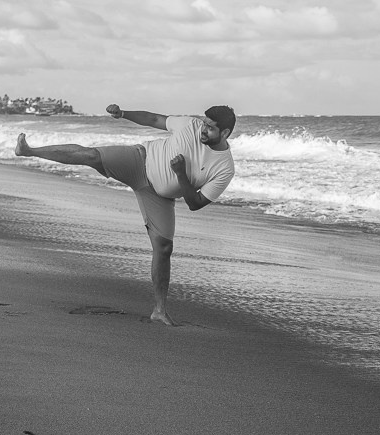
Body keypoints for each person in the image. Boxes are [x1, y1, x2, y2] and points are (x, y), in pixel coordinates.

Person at [14, 104, 236, 325]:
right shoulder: (190, 125)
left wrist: (180, 174)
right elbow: (154, 119)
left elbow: (195, 203)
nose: (203, 129)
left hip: (158, 197)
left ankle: (159, 310)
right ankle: (29, 151)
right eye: (204, 123)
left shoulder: (224, 168)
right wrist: (123, 114)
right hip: (140, 160)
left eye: (210, 128)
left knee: (164, 248)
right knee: (91, 155)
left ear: (225, 133)